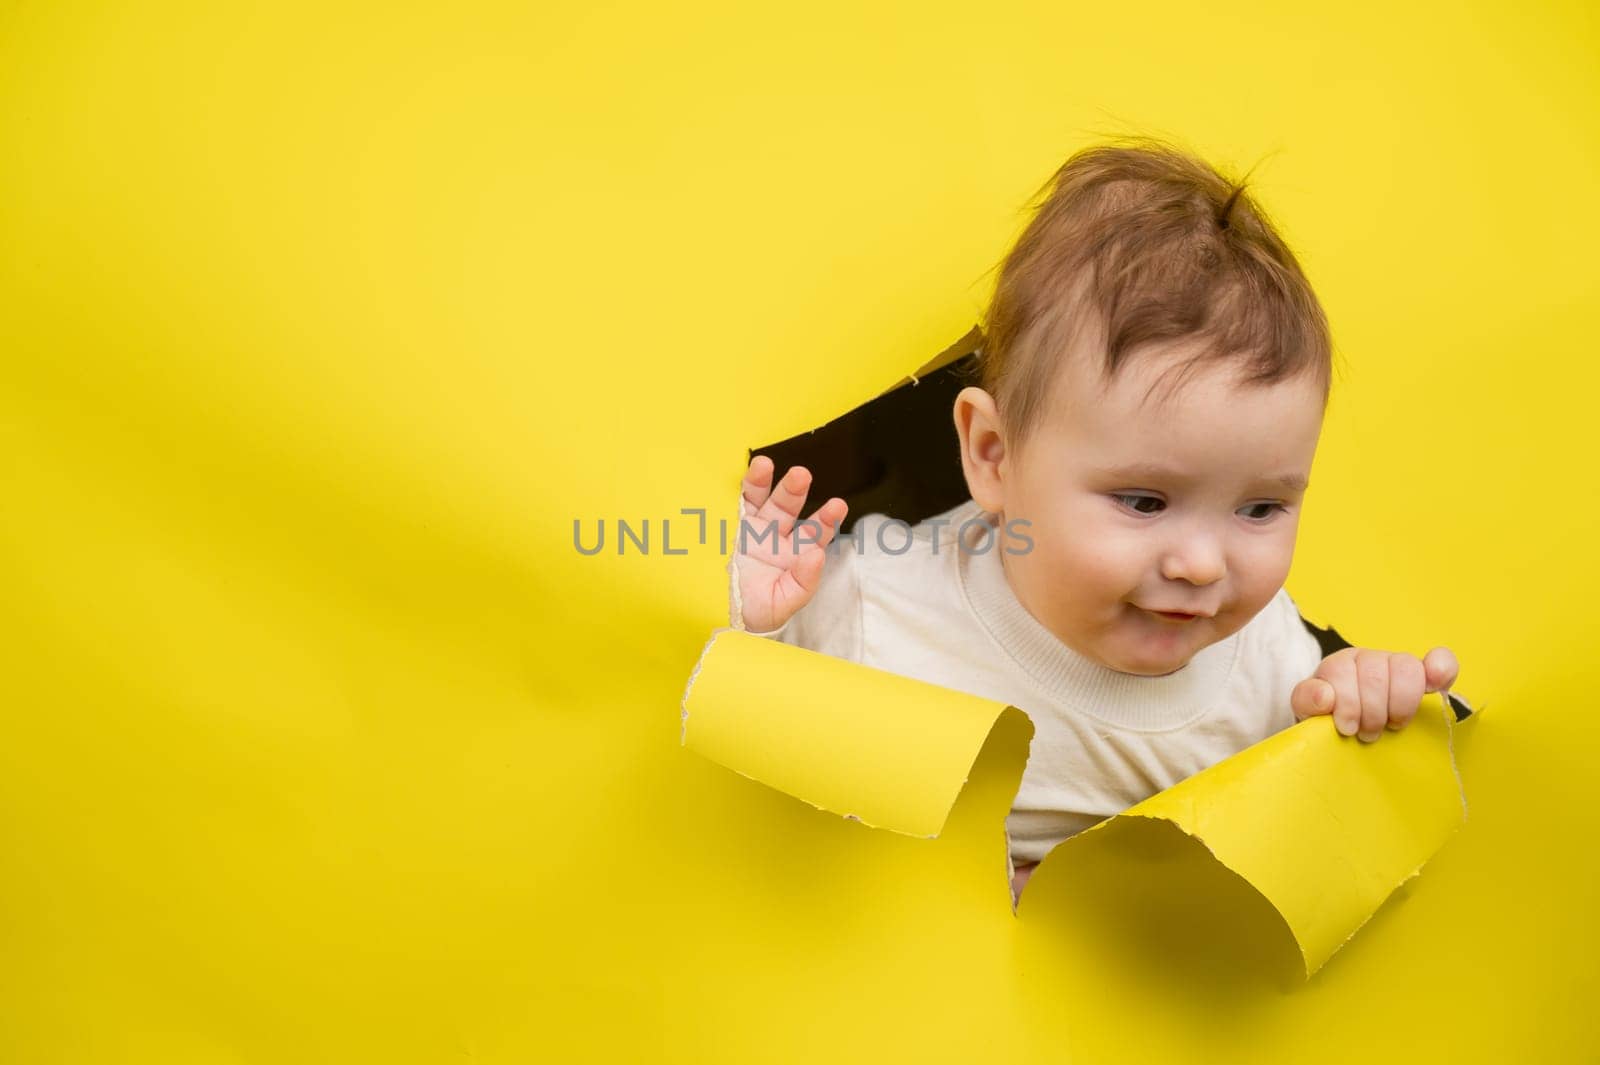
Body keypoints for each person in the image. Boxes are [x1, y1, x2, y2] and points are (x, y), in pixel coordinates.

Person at [729, 136, 1467, 904]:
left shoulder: (1268, 655)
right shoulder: (877, 606)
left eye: (1260, 507)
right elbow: (737, 716)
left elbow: (1304, 807)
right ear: (992, 455)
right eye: (1144, 501)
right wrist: (759, 613)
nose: (1203, 564)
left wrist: (1354, 695)